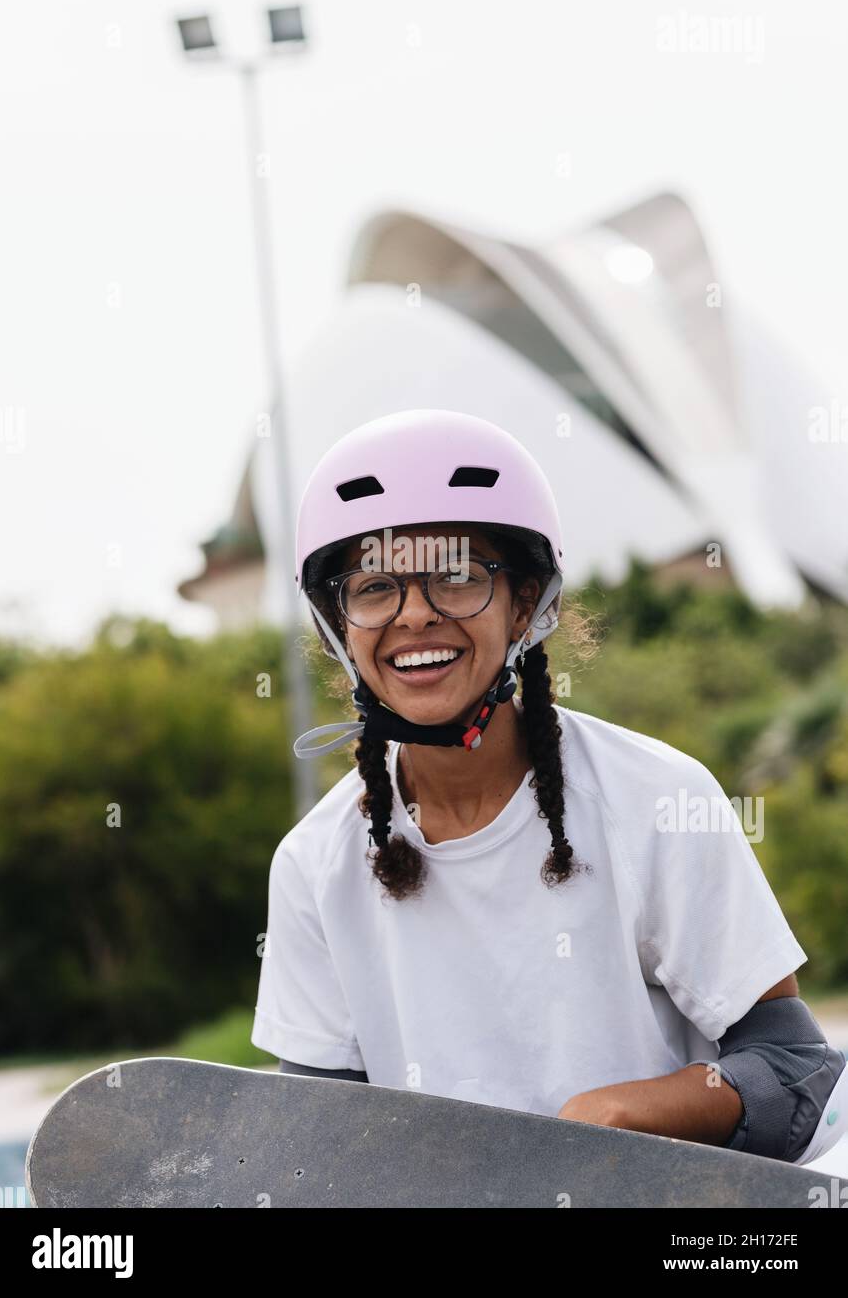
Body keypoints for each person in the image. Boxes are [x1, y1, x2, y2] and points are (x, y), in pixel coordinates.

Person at [252, 408, 846, 1164]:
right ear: (340, 624)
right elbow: (318, 1145)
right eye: (375, 587)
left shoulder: (659, 798)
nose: (415, 616)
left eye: (458, 577)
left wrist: (625, 1114)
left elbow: (795, 1072)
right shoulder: (312, 864)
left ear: (526, 605)